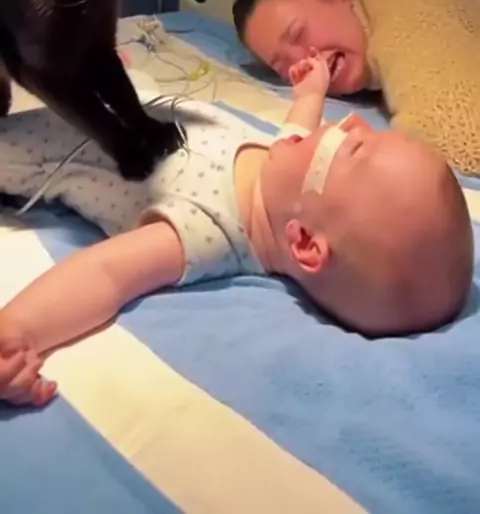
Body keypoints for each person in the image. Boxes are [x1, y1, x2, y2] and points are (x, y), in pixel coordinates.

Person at [0, 61, 472, 406]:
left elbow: (104, 274)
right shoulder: (288, 177)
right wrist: (312, 92)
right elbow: (299, 131)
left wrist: (19, 329)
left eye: (353, 148)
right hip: (120, 106)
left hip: (40, 148)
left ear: (304, 242)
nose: (349, 123)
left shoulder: (208, 228)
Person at [233, 0, 480, 176]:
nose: (304, 61)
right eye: (284, 67)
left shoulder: (403, 9)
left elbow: (461, 138)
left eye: (298, 34)